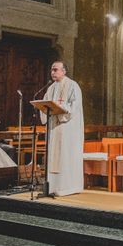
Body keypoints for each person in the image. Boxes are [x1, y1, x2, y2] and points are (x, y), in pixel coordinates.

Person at [42, 61, 84, 196]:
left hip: (67, 129)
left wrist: (62, 109)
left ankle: (68, 187)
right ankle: (53, 187)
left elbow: (75, 106)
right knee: (54, 156)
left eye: (55, 69)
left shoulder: (72, 85)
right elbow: (45, 104)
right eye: (51, 70)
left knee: (65, 156)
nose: (52, 72)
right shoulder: (51, 88)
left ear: (64, 71)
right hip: (54, 127)